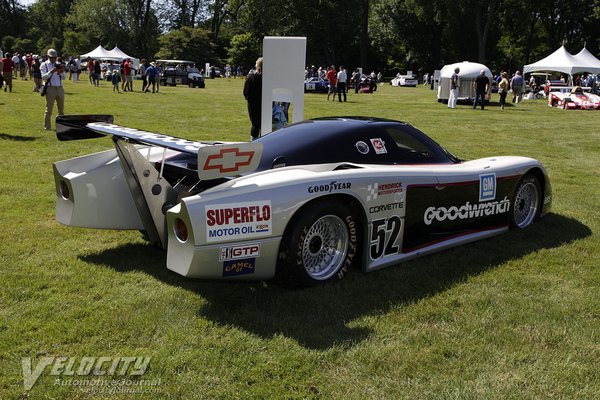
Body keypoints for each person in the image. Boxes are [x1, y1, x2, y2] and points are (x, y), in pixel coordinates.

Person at [40, 48, 66, 131]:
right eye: (51, 57)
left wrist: (61, 71)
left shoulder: (59, 64)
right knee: (49, 109)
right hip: (50, 88)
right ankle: (47, 127)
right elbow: (43, 77)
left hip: (59, 88)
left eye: (55, 57)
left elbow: (64, 77)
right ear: (48, 56)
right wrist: (51, 71)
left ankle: (61, 127)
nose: (53, 59)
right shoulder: (44, 65)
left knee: (61, 110)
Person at [243, 57, 263, 140]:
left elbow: (246, 93)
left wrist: (250, 99)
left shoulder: (251, 77)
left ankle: (253, 143)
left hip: (253, 105)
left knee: (255, 125)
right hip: (265, 104)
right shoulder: (269, 78)